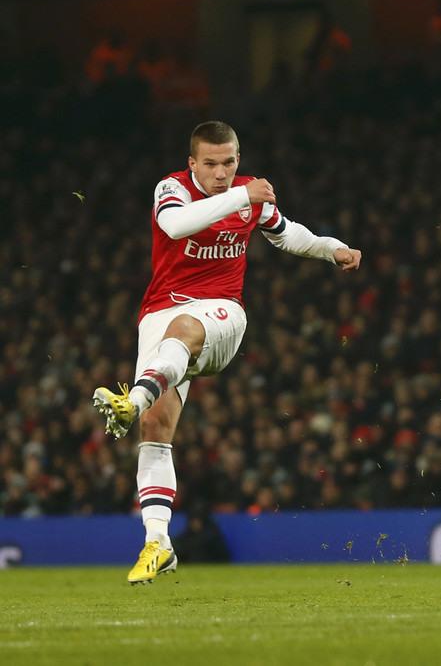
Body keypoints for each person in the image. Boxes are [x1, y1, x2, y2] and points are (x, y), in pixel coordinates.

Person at [92, 121, 362, 584]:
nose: (222, 172)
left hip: (221, 314)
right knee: (155, 431)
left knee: (183, 333)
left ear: (238, 158)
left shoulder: (247, 199)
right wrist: (244, 196)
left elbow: (286, 232)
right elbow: (176, 225)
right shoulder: (172, 189)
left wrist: (331, 249)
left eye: (230, 163)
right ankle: (158, 543)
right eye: (211, 164)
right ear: (192, 162)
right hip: (158, 312)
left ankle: (132, 398)